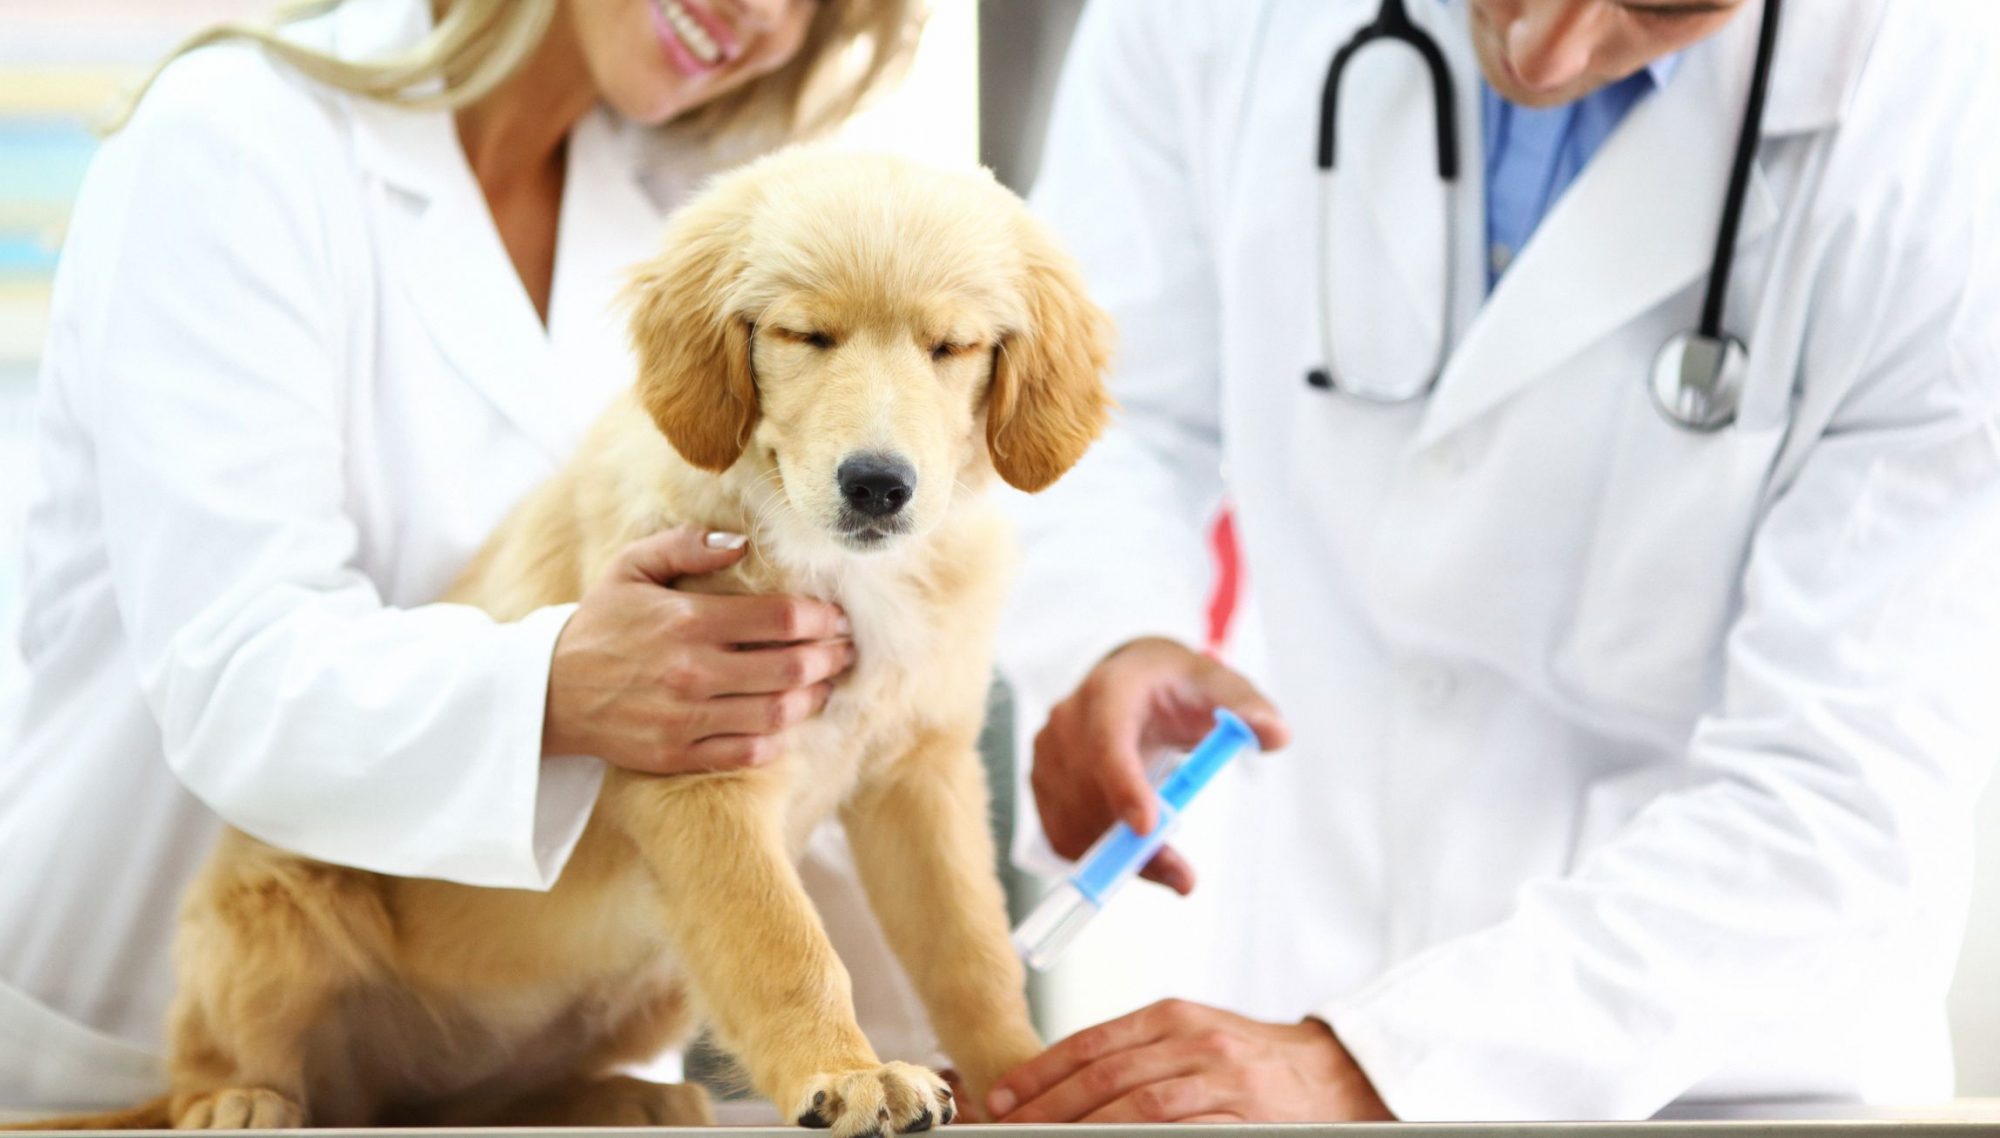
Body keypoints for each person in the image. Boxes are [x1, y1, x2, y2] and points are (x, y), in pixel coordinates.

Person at [992, 0, 2000, 1123]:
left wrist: (1375, 1061)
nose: (1545, 51)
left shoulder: (1946, 130)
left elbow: (1842, 788)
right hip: (1291, 974)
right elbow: (1095, 406)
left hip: (1715, 1073)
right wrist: (1112, 630)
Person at [0, 0, 938, 1111]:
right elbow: (232, 664)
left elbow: (767, 719)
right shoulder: (235, 139)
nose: (764, 14)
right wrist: (559, 688)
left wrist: (944, 1052)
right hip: (164, 1027)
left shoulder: (709, 222)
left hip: (533, 1064)